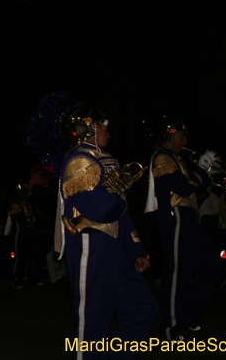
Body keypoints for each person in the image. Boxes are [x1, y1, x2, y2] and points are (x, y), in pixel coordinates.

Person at [56, 103, 158, 360]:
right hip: (93, 245)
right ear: (88, 128)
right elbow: (102, 208)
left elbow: (120, 212)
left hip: (115, 248)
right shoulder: (79, 158)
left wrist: (135, 250)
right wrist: (120, 196)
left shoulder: (108, 160)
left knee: (144, 309)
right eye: (103, 124)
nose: (107, 129)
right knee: (93, 322)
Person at [145, 121, 220, 342]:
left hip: (188, 218)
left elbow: (192, 187)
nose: (185, 142)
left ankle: (190, 319)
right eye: (181, 136)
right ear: (169, 135)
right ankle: (171, 329)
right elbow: (183, 186)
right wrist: (202, 170)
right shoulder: (162, 157)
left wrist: (205, 175)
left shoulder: (175, 158)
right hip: (176, 218)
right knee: (180, 275)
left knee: (211, 267)